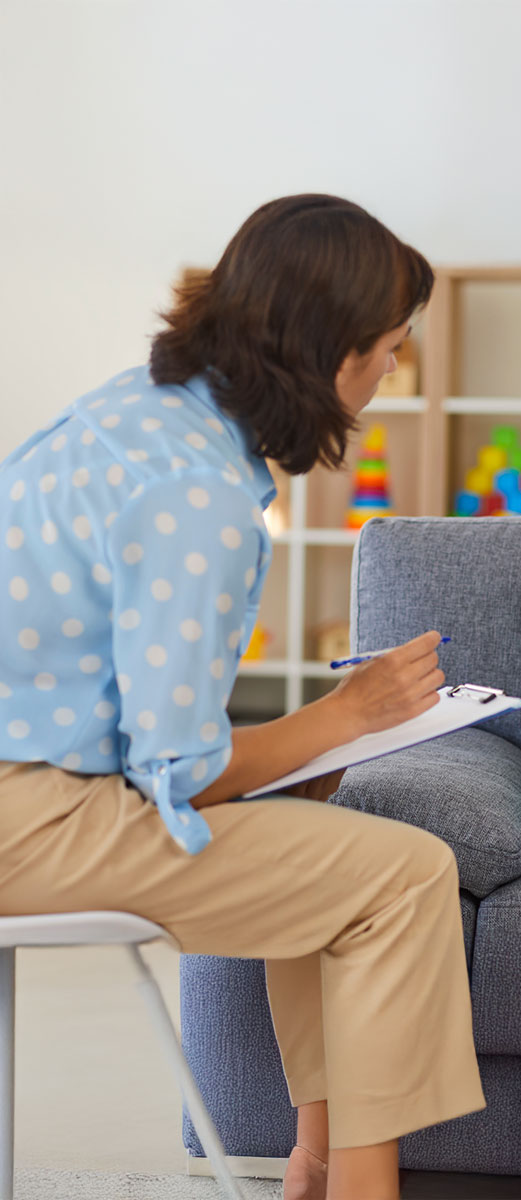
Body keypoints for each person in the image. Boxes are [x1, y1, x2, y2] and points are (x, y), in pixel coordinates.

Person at [0, 194, 485, 1200]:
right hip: (29, 815)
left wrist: (297, 755)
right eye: (392, 350)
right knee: (403, 877)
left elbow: (141, 726)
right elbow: (180, 769)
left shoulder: (136, 409)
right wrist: (345, 718)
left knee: (333, 852)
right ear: (336, 351)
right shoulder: (200, 499)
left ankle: (313, 1165)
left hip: (39, 784)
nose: (394, 373)